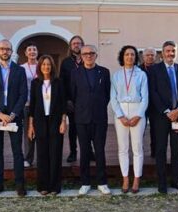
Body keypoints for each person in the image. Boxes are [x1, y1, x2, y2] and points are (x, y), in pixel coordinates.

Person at [0, 39, 28, 197]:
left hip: (14, 116)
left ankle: (20, 184)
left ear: (12, 51)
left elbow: (23, 95)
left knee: (17, 152)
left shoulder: (20, 70)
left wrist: (12, 114)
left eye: (8, 49)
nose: (5, 51)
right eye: (2, 49)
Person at [149, 41, 178, 194]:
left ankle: (177, 180)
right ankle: (162, 182)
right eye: (167, 51)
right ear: (162, 53)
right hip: (161, 116)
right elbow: (153, 92)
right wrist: (167, 111)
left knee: (176, 150)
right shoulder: (154, 70)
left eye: (173, 51)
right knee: (160, 149)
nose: (170, 53)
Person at [71, 44, 111, 195]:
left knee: (100, 151)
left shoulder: (104, 72)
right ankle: (85, 182)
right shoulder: (75, 73)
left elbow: (107, 95)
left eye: (91, 53)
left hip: (99, 118)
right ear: (81, 56)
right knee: (85, 151)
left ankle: (102, 182)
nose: (88, 55)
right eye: (85, 53)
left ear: (96, 55)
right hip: (82, 118)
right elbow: (73, 95)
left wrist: (97, 107)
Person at [110, 45, 149, 194]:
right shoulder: (117, 75)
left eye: (132, 55)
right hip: (120, 112)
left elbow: (145, 97)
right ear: (122, 56)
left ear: (135, 57)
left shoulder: (141, 74)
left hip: (137, 110)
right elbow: (112, 98)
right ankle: (125, 177)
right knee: (123, 148)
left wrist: (138, 115)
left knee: (137, 147)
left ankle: (137, 178)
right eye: (127, 54)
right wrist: (120, 115)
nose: (130, 57)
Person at [27, 55, 67, 195]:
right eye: (43, 64)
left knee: (55, 153)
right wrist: (31, 126)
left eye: (48, 64)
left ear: (52, 67)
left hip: (55, 121)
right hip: (39, 121)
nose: (46, 67)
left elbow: (63, 104)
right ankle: (43, 185)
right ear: (40, 66)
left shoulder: (58, 82)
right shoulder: (35, 83)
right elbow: (32, 105)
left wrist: (63, 122)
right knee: (42, 154)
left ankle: (55, 186)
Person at [60, 35, 84, 163]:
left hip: (86, 102)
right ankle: (73, 152)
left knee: (87, 128)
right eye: (74, 43)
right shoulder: (66, 62)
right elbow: (62, 83)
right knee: (73, 128)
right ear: (71, 46)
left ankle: (89, 151)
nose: (76, 45)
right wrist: (66, 100)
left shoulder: (87, 60)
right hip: (71, 102)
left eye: (79, 43)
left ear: (82, 45)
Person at [21, 42, 39, 167]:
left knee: (43, 131)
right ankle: (28, 158)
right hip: (27, 104)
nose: (32, 51)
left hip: (42, 104)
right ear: (26, 53)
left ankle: (43, 157)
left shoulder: (42, 65)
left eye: (34, 49)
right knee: (29, 131)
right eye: (29, 50)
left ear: (37, 52)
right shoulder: (21, 68)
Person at [141, 48, 158, 157]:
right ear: (143, 57)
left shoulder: (159, 69)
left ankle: (154, 151)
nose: (150, 57)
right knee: (140, 129)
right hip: (142, 104)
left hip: (156, 104)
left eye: (152, 55)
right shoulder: (137, 69)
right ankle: (139, 151)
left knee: (155, 129)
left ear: (155, 56)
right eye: (147, 55)